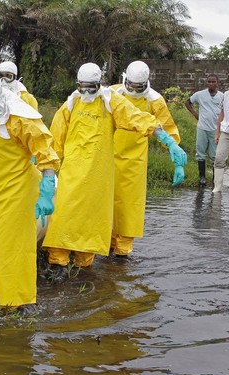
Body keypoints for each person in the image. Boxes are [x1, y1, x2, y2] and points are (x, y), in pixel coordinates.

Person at [42, 62, 174, 282]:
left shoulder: (111, 102)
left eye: (90, 88)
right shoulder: (70, 105)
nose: (86, 93)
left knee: (93, 218)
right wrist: (46, 169)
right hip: (73, 171)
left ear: (99, 84)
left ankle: (84, 263)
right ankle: (58, 261)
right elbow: (54, 140)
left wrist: (166, 138)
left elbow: (136, 117)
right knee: (64, 214)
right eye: (81, 87)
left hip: (99, 173)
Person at [0, 71, 60, 310]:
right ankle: (3, 293)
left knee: (15, 246)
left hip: (18, 191)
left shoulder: (21, 119)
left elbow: (47, 155)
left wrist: (47, 190)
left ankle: (18, 302)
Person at [109, 60, 187, 258]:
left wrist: (177, 160)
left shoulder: (155, 101)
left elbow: (168, 130)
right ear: (125, 80)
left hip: (135, 161)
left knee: (129, 205)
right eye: (132, 86)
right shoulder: (112, 94)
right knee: (105, 201)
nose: (134, 90)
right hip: (108, 156)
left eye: (139, 87)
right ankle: (106, 243)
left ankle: (122, 252)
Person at [185, 74, 223, 186]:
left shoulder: (222, 96)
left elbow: (226, 110)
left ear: (217, 83)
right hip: (202, 128)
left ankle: (215, 179)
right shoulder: (200, 95)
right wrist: (195, 114)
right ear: (206, 83)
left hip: (215, 129)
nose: (211, 84)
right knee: (200, 152)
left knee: (215, 154)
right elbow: (188, 102)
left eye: (213, 82)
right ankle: (202, 177)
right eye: (209, 82)